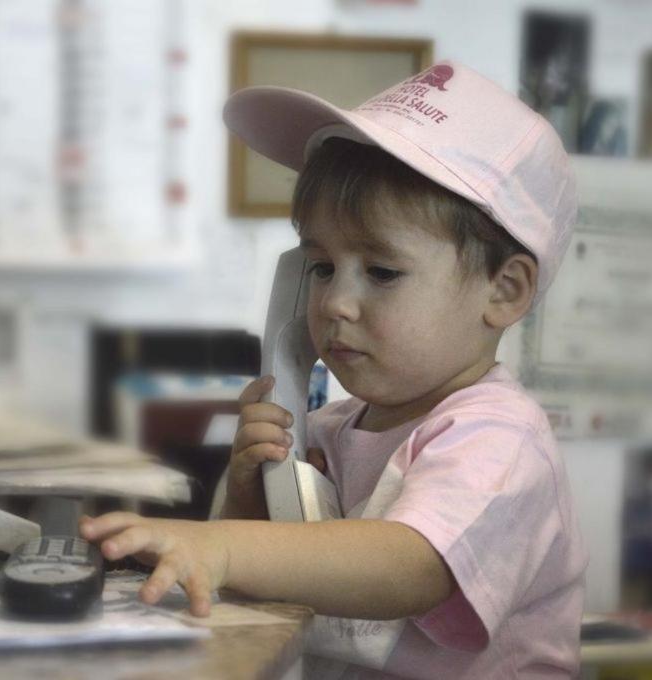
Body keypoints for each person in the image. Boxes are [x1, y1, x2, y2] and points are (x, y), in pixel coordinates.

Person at [79, 60, 588, 679]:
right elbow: (270, 588)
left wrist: (223, 547)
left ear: (503, 290)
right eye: (321, 267)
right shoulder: (327, 428)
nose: (334, 303)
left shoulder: (499, 438)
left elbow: (411, 567)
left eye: (381, 272)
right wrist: (249, 492)